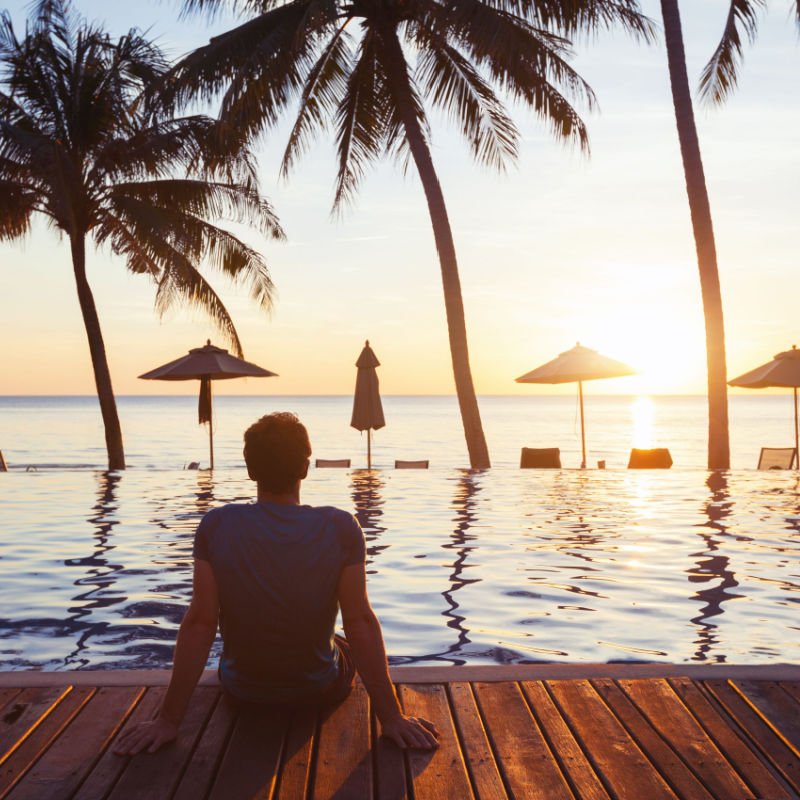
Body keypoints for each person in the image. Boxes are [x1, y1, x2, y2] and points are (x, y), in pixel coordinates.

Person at [114, 412, 439, 755]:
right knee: (344, 638)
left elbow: (200, 622)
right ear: (304, 468)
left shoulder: (216, 525)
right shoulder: (342, 527)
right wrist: (392, 718)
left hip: (244, 692)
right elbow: (359, 621)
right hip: (318, 690)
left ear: (251, 470)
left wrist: (168, 721)